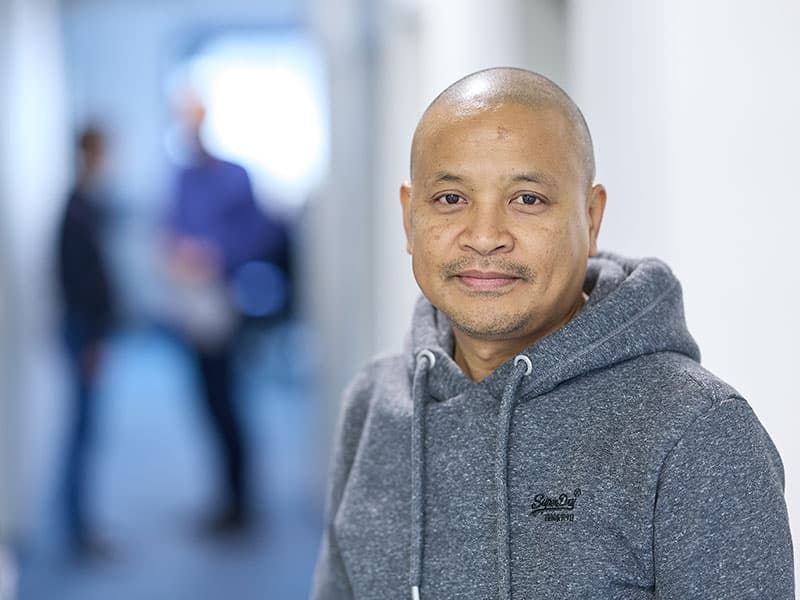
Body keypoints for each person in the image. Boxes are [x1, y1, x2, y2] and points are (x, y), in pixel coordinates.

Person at [310, 68, 794, 599]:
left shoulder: (697, 430)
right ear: (409, 218)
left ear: (591, 217)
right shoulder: (374, 402)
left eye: (527, 199)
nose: (485, 237)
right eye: (450, 198)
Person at [164, 93, 275, 535]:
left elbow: (260, 234)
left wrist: (216, 255)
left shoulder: (233, 176)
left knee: (230, 402)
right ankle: (223, 497)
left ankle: (242, 502)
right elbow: (171, 229)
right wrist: (176, 252)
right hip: (190, 304)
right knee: (206, 402)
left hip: (226, 300)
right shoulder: (182, 178)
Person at [56, 126, 116, 558]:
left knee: (85, 430)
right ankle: (77, 531)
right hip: (84, 333)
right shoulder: (77, 209)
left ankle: (79, 526)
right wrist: (93, 339)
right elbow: (81, 282)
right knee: (82, 432)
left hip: (85, 330)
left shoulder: (85, 204)